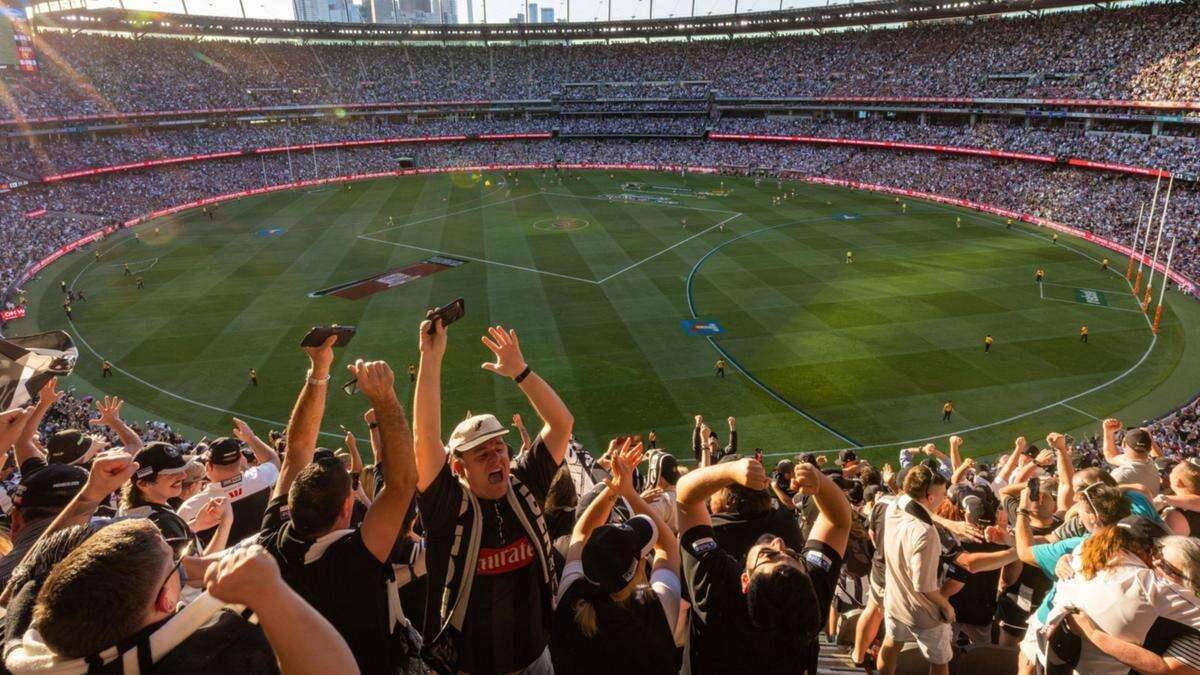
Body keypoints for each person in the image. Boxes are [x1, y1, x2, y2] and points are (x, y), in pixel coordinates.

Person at [413, 317, 574, 674]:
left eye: (500, 447)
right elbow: (424, 441)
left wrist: (521, 372)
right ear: (459, 468)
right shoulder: (448, 508)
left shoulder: (523, 485)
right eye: (481, 454)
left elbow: (562, 424)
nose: (496, 457)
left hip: (536, 660)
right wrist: (431, 357)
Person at [258, 337, 424, 674]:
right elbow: (403, 483)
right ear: (348, 507)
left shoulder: (271, 539)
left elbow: (297, 450)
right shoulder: (355, 559)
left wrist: (318, 371)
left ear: (291, 501)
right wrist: (385, 398)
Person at [676, 455, 850, 674]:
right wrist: (820, 483)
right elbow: (839, 521)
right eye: (793, 555)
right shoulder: (806, 599)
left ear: (745, 580)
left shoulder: (715, 592)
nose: (778, 542)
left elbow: (685, 498)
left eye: (768, 555)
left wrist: (730, 471)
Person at [550, 439, 680, 674]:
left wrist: (614, 489)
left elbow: (580, 532)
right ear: (637, 568)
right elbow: (668, 547)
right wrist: (627, 491)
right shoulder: (654, 606)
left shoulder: (572, 598)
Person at [878, 466, 954, 675]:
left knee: (891, 644)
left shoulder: (895, 506)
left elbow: (904, 496)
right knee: (940, 661)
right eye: (943, 494)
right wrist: (946, 606)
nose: (945, 497)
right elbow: (924, 586)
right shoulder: (925, 532)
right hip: (922, 611)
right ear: (929, 497)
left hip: (895, 601)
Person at [178, 421, 280, 547]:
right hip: (262, 556)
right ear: (241, 459)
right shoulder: (262, 478)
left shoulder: (190, 507)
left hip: (220, 565)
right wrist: (251, 438)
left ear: (208, 466)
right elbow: (274, 460)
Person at [123, 441, 233, 557]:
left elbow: (163, 538)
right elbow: (199, 572)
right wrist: (226, 522)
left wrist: (196, 524)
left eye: (182, 469)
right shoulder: (161, 522)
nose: (183, 476)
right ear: (143, 484)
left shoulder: (142, 506)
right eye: (170, 473)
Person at [1102, 419, 1160, 497]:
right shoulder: (1152, 463)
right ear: (1149, 449)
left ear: (1123, 444)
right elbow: (1112, 457)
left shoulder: (1120, 475)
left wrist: (1108, 432)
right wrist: (1149, 438)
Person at [1158, 459, 1200, 536]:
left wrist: (1162, 499)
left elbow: (1168, 545)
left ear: (1178, 482)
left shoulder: (1177, 516)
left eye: (1172, 472)